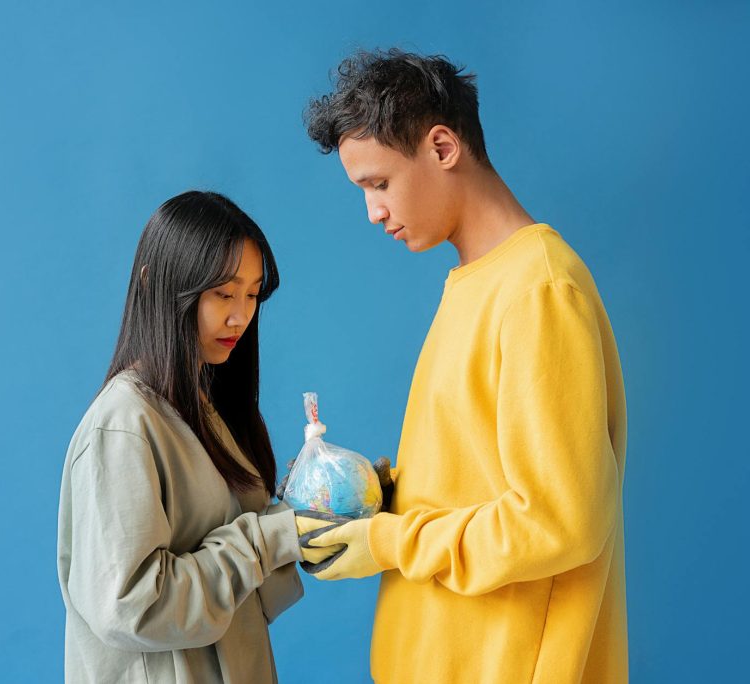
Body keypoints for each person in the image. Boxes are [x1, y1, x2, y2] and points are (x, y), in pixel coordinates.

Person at [293, 49, 629, 683]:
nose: (373, 212)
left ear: (443, 148)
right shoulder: (477, 282)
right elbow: (478, 476)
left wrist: (389, 542)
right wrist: (382, 495)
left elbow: (560, 521)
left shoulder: (538, 290)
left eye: (379, 183)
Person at [56, 191, 315, 683]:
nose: (240, 315)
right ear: (156, 283)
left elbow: (247, 589)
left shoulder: (205, 408)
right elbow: (134, 607)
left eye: (253, 294)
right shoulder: (124, 425)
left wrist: (316, 515)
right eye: (223, 292)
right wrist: (271, 538)